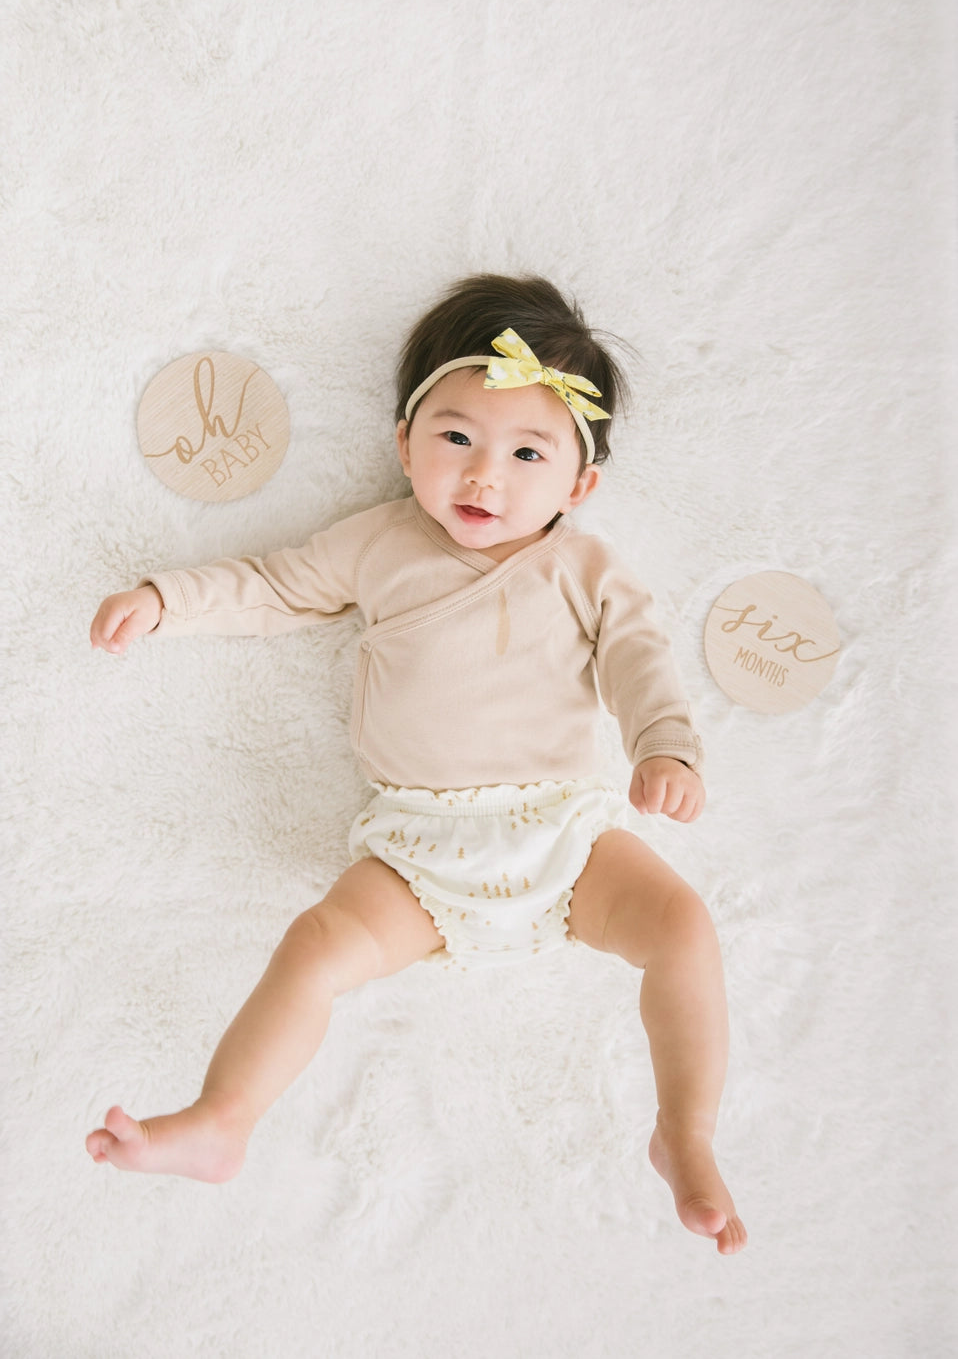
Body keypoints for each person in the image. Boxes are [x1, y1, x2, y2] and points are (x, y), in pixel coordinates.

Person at [86, 274, 746, 1255]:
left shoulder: (588, 568)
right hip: (416, 848)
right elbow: (272, 584)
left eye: (527, 452)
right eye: (455, 438)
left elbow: (641, 662)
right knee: (314, 947)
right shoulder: (379, 543)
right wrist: (166, 597)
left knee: (684, 927)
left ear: (578, 484)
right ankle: (225, 1117)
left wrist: (664, 748)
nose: (485, 475)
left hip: (564, 831)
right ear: (403, 441)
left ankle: (682, 1127)